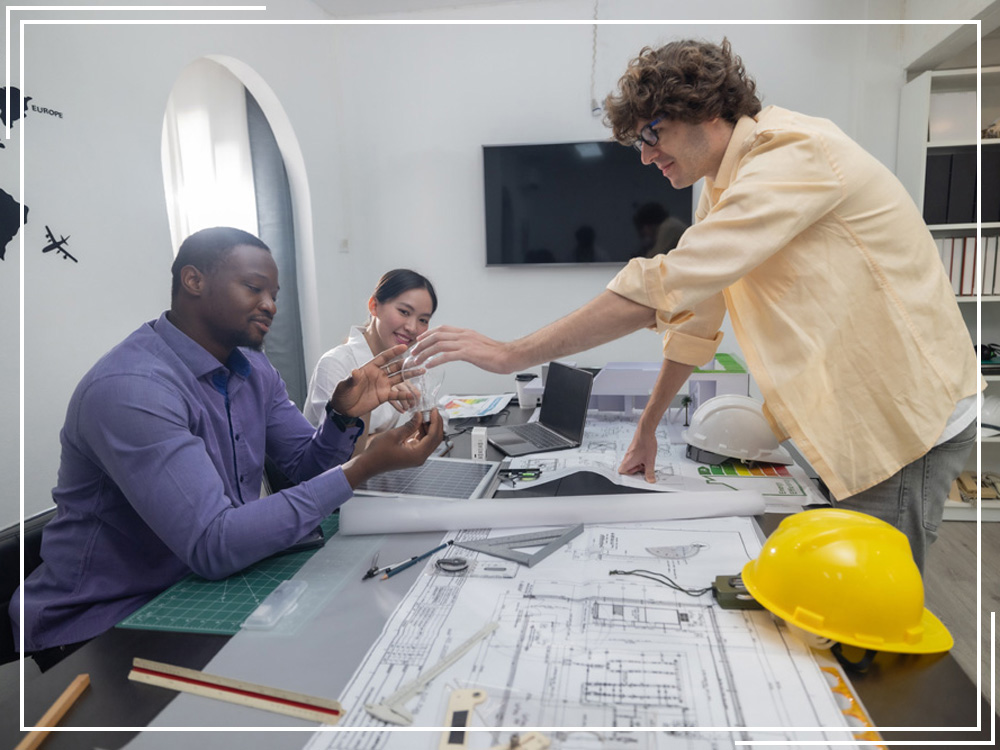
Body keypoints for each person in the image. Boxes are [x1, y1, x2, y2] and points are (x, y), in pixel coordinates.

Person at [411, 38, 980, 572]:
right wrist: (648, 427)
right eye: (639, 141)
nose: (644, 156)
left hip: (901, 423)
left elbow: (668, 282)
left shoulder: (793, 153)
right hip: (844, 420)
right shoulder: (718, 186)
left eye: (652, 134)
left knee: (869, 607)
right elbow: (694, 314)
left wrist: (514, 353)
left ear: (709, 110)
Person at [11, 227, 443, 664]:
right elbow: (213, 542)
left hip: (200, 587)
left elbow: (301, 467)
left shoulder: (253, 367)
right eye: (254, 288)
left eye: (273, 293)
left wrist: (342, 418)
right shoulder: (132, 389)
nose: (271, 305)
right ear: (193, 281)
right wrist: (362, 466)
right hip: (99, 627)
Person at [303, 269, 438, 454]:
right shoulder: (335, 365)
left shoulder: (407, 365)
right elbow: (334, 455)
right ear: (374, 305)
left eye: (423, 320)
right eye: (404, 312)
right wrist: (385, 440)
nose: (412, 328)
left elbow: (419, 428)